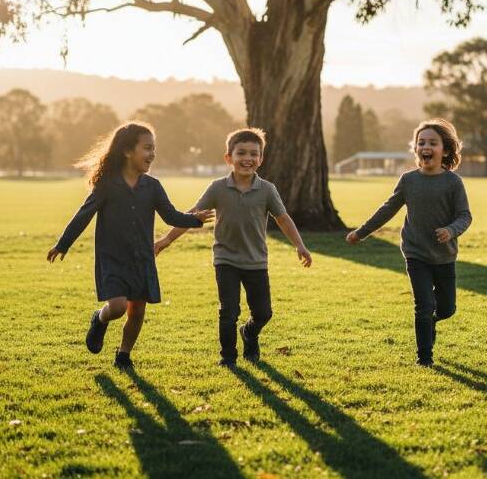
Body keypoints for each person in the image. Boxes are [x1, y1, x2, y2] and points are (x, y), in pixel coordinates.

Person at [47, 121, 213, 369]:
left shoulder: (153, 187)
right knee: (118, 306)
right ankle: (100, 319)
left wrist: (194, 220)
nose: (152, 154)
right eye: (147, 148)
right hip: (112, 259)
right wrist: (63, 244)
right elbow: (84, 214)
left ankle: (123, 355)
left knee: (136, 311)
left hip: (141, 259)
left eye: (154, 148)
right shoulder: (107, 185)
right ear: (127, 151)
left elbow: (170, 215)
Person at [154, 128, 312, 366]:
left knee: (263, 313)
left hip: (256, 261)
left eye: (253, 154)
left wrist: (300, 245)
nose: (247, 158)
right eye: (241, 153)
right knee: (228, 311)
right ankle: (228, 357)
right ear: (228, 157)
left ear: (261, 159)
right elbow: (192, 215)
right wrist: (165, 241)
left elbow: (283, 219)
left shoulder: (267, 189)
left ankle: (249, 332)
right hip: (225, 259)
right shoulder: (218, 188)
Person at [347, 119, 472, 366]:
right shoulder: (408, 180)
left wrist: (451, 230)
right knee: (424, 305)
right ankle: (424, 357)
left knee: (446, 309)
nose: (425, 146)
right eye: (421, 142)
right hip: (415, 253)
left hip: (445, 255)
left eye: (432, 143)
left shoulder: (453, 183)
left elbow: (465, 216)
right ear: (415, 149)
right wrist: (362, 232)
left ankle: (431, 323)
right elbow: (388, 209)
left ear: (445, 150)